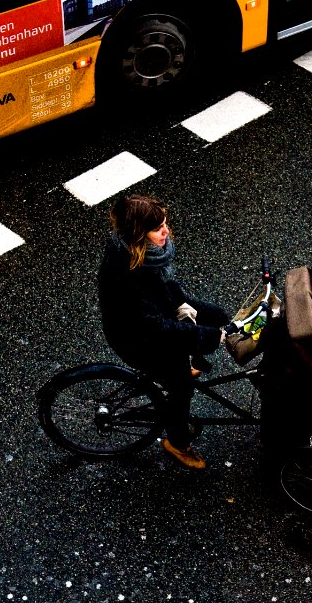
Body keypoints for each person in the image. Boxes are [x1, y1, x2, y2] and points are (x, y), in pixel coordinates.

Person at [98, 194, 229, 470]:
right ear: (139, 234)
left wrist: (188, 306)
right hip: (136, 337)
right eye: (159, 229)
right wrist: (206, 337)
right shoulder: (128, 275)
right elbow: (154, 328)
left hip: (152, 316)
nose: (167, 232)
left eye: (165, 224)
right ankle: (177, 443)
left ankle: (187, 362)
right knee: (180, 385)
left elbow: (165, 286)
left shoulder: (142, 253)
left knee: (216, 315)